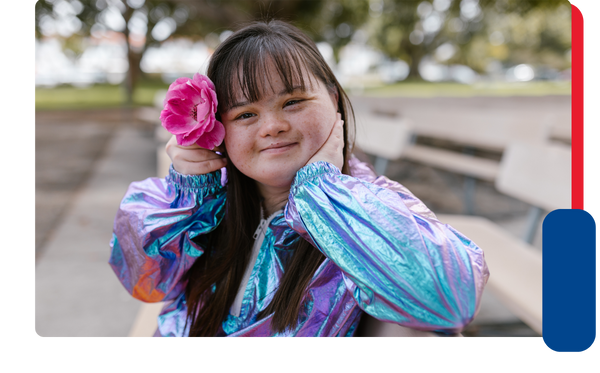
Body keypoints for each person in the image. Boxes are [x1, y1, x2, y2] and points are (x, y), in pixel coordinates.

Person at [109, 19, 489, 340]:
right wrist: (190, 195)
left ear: (335, 100)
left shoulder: (372, 207)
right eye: (245, 115)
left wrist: (320, 192)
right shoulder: (210, 207)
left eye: (292, 102)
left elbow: (451, 300)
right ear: (217, 129)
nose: (273, 126)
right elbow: (142, 279)